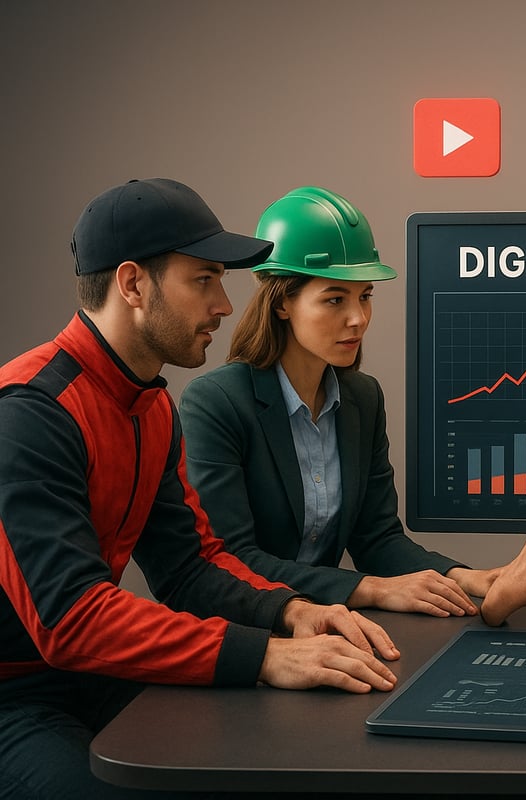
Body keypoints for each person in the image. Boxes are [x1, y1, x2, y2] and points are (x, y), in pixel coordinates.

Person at [0, 178, 406, 798]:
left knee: (264, 750)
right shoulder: (29, 412)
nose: (224, 303)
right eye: (204, 280)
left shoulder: (152, 408)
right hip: (15, 692)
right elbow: (72, 620)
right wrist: (266, 656)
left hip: (88, 673)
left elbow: (189, 567)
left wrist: (294, 612)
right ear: (133, 284)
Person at [179, 186, 526, 628]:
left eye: (365, 296)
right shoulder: (216, 402)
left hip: (330, 628)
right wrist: (372, 588)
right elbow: (232, 559)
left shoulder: (362, 398)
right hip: (241, 631)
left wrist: (471, 578)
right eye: (334, 299)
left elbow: (377, 538)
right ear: (282, 302)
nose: (358, 318)